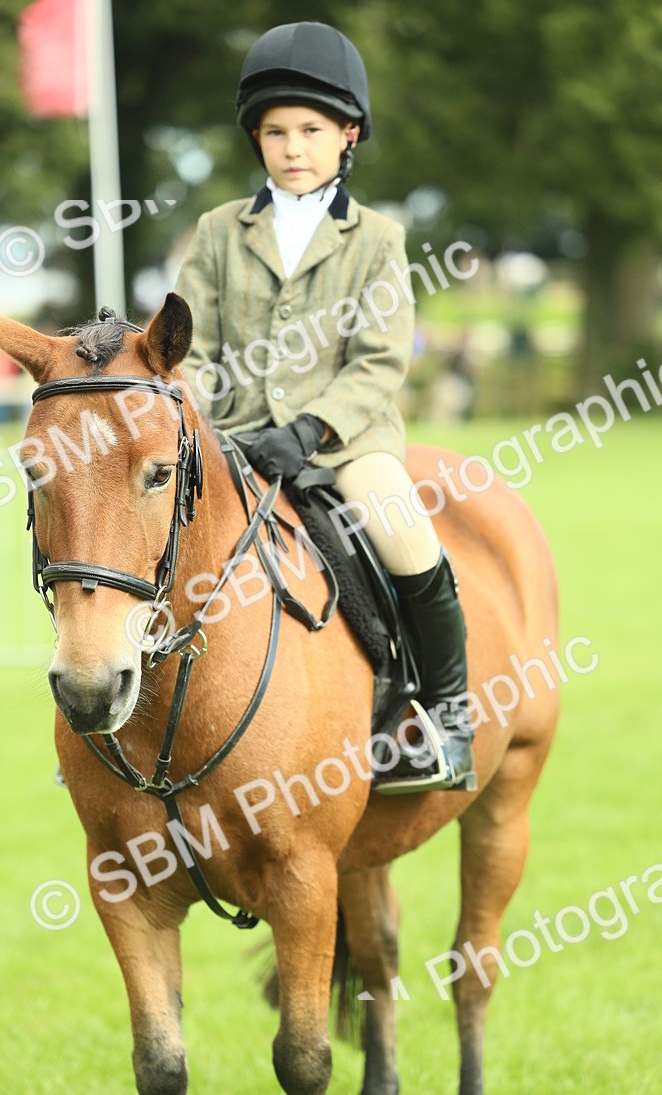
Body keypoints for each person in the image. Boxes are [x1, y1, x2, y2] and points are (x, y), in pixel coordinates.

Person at [174, 21, 474, 793]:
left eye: (311, 129)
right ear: (257, 140)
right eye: (275, 132)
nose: (293, 147)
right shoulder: (217, 233)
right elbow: (192, 348)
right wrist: (209, 426)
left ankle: (447, 719)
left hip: (347, 445)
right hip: (232, 440)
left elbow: (380, 360)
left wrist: (309, 429)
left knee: (409, 542)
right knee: (147, 545)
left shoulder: (377, 238)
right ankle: (118, 723)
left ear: (348, 136)